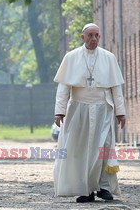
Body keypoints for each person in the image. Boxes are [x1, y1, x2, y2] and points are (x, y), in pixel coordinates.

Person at [53, 23, 126, 203]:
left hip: (103, 109)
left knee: (104, 149)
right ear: (83, 37)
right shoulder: (71, 58)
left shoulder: (109, 58)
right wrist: (59, 112)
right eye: (90, 35)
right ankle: (85, 189)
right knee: (81, 150)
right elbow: (63, 88)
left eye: (97, 35)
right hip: (79, 109)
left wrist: (120, 112)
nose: (94, 39)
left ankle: (103, 188)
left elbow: (116, 88)